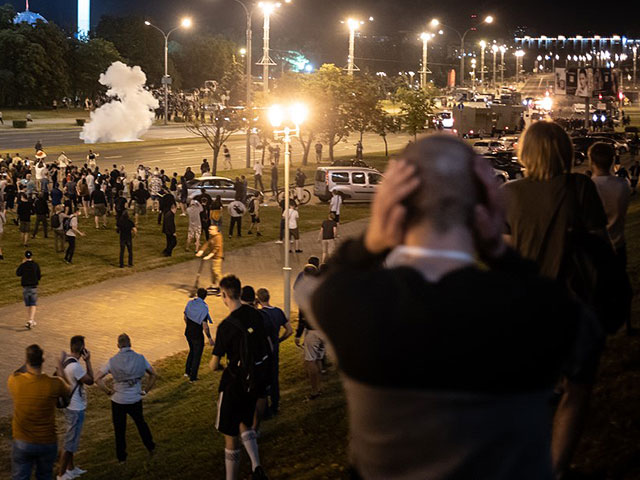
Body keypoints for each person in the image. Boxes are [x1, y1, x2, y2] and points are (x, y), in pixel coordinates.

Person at [296, 134, 602, 480]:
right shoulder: (543, 312)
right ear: (484, 208)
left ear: (393, 206)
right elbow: (585, 333)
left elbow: (315, 286)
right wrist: (500, 254)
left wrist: (373, 239)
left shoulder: (354, 305)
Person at [502, 122, 608, 478]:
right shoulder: (581, 188)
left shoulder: (509, 193)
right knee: (576, 391)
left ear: (524, 152)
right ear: (565, 151)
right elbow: (599, 247)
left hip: (526, 311)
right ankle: (557, 468)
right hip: (575, 307)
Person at [209, 275, 269, 480]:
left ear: (225, 295)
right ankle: (256, 466)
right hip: (253, 380)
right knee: (245, 421)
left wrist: (220, 365)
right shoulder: (255, 315)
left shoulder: (225, 327)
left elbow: (214, 364)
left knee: (230, 436)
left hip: (234, 384)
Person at [8, 345, 70, 480]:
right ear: (43, 360)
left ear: (27, 360)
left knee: (20, 477)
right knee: (45, 476)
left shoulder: (15, 381)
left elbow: (16, 372)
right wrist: (60, 368)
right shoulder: (55, 383)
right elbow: (68, 391)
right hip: (47, 442)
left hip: (22, 441)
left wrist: (29, 360)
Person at [95, 334, 157, 463]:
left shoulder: (112, 361)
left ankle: (122, 458)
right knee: (141, 424)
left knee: (119, 429)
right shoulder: (140, 358)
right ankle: (150, 447)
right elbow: (153, 374)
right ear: (130, 344)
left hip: (118, 400)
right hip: (135, 398)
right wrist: (145, 390)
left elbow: (97, 378)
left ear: (118, 345)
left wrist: (108, 391)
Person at [58, 336, 94, 480]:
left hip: (69, 406)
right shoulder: (76, 367)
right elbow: (90, 380)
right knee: (69, 443)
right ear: (82, 348)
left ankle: (71, 468)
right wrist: (88, 361)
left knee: (71, 440)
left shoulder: (67, 362)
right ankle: (61, 475)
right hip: (75, 408)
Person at [256, 288, 292, 416]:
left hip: (263, 350)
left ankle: (264, 408)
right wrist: (280, 340)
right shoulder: (278, 312)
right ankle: (275, 404)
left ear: (258, 299)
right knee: (274, 376)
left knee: (263, 378)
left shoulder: (260, 314)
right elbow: (289, 330)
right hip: (275, 349)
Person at [183, 288, 214, 382]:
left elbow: (185, 317)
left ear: (197, 294)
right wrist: (209, 338)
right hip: (197, 335)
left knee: (191, 351)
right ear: (205, 296)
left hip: (188, 332)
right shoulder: (204, 308)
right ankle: (193, 378)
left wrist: (189, 326)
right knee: (197, 355)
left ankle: (187, 372)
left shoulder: (190, 303)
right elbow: (205, 326)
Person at [16, 250, 41, 329]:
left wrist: (22, 264)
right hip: (33, 287)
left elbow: (18, 273)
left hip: (25, 287)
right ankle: (31, 320)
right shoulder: (35, 265)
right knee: (33, 304)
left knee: (29, 304)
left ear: (25, 257)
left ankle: (31, 320)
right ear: (31, 256)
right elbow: (39, 275)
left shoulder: (23, 265)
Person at [197, 225, 224, 292]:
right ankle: (214, 285)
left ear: (215, 230)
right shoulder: (213, 237)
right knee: (213, 272)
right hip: (214, 257)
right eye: (209, 229)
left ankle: (223, 287)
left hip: (217, 257)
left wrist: (209, 256)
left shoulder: (218, 237)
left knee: (216, 272)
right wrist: (201, 250)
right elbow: (207, 243)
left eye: (211, 229)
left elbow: (217, 248)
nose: (209, 230)